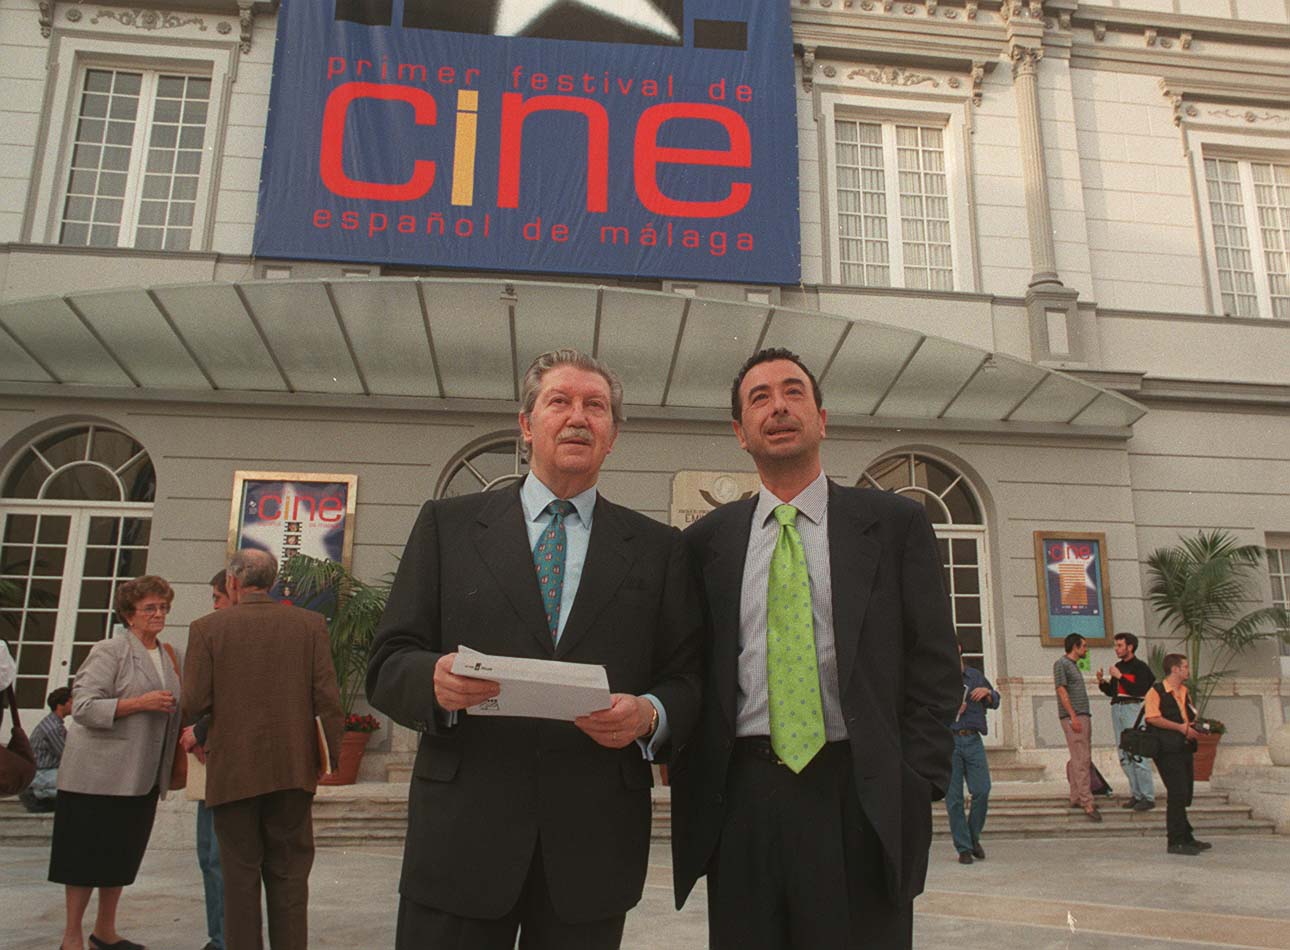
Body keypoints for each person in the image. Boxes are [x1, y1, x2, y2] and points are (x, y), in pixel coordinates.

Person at [367, 348, 702, 950]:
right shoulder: (448, 526)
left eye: (595, 406)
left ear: (613, 435)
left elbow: (687, 678)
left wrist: (650, 714)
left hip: (591, 848)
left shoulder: (658, 548)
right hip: (461, 840)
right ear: (526, 424)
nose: (578, 417)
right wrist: (434, 681)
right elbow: (390, 660)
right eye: (560, 401)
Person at [672, 348, 961, 949]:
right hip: (742, 804)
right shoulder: (705, 544)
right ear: (739, 433)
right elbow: (689, 670)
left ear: (822, 419)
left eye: (793, 392)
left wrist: (915, 781)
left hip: (860, 795)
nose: (778, 406)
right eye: (760, 398)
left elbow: (935, 663)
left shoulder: (894, 525)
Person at [182, 549, 342, 950]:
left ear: (233, 582)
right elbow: (327, 699)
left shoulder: (207, 629)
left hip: (232, 772)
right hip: (292, 769)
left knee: (238, 879)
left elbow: (194, 703)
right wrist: (328, 759)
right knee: (290, 878)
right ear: (271, 583)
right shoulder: (309, 625)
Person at [50, 574, 183, 950]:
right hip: (97, 776)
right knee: (83, 859)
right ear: (129, 614)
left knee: (120, 857)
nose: (159, 614)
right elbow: (85, 707)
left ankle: (105, 932)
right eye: (150, 608)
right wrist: (139, 704)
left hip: (142, 775)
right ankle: (71, 937)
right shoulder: (110, 650)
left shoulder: (167, 654)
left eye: (163, 607)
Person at [178, 570, 232, 950]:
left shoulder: (223, 633)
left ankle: (225, 938)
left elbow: (234, 697)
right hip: (210, 760)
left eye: (218, 596)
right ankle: (220, 936)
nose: (213, 605)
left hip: (229, 765)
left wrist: (200, 729)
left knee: (218, 858)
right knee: (209, 857)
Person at [1145, 653, 1211, 856]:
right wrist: (1181, 728)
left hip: (1184, 747)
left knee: (1184, 792)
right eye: (1184, 666)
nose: (1187, 670)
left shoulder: (1184, 691)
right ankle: (1175, 841)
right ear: (1174, 669)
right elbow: (1152, 717)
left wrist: (1196, 727)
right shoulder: (1156, 691)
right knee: (1176, 792)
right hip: (1166, 749)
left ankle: (1187, 836)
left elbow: (1189, 715)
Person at [945, 644, 999, 865]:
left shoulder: (975, 676)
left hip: (973, 739)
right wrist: (950, 710)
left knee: (982, 790)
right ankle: (964, 847)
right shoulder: (939, 679)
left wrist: (987, 693)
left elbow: (995, 701)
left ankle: (973, 837)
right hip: (949, 741)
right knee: (954, 798)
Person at [1096, 631, 1156, 811]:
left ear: (1130, 647)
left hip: (1133, 708)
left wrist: (1120, 676)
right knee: (1124, 753)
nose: (1116, 649)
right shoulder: (1117, 666)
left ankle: (1148, 796)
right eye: (1115, 645)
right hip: (1118, 708)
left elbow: (1140, 689)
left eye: (1120, 645)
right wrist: (1102, 683)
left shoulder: (1140, 667)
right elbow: (1114, 692)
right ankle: (1136, 794)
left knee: (1138, 751)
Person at [1054, 633, 1101, 822]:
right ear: (1075, 646)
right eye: (1084, 646)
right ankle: (1087, 801)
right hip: (1074, 716)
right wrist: (1073, 716)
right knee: (1082, 758)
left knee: (1079, 757)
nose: (1086, 649)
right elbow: (1061, 690)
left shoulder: (1073, 666)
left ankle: (1076, 796)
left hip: (1081, 714)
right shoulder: (1062, 664)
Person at [18, 685, 72, 812]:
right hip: (40, 775)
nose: (74, 705)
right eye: (71, 702)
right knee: (77, 782)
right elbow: (67, 756)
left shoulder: (55, 723)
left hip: (47, 772)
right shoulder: (53, 727)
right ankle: (36, 793)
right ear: (61, 705)